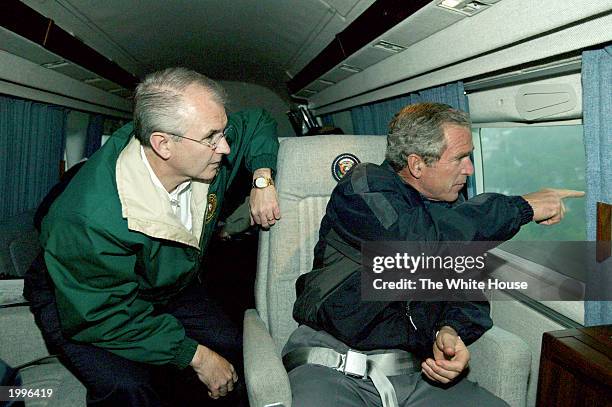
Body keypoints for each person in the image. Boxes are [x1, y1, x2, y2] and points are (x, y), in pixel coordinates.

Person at [285, 102, 584, 407]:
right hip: (332, 364)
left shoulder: (452, 212)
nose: (469, 168)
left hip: (412, 373)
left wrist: (450, 330)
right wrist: (521, 207)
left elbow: (468, 294)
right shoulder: (363, 188)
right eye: (460, 158)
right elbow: (416, 243)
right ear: (416, 165)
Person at [24, 67, 281, 406]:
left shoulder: (197, 146)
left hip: (165, 278)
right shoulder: (87, 219)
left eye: (222, 132)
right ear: (163, 145)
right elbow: (102, 315)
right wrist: (196, 356)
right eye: (212, 138)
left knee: (234, 346)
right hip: (81, 296)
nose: (226, 147)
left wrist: (262, 179)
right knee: (128, 387)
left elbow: (259, 121)